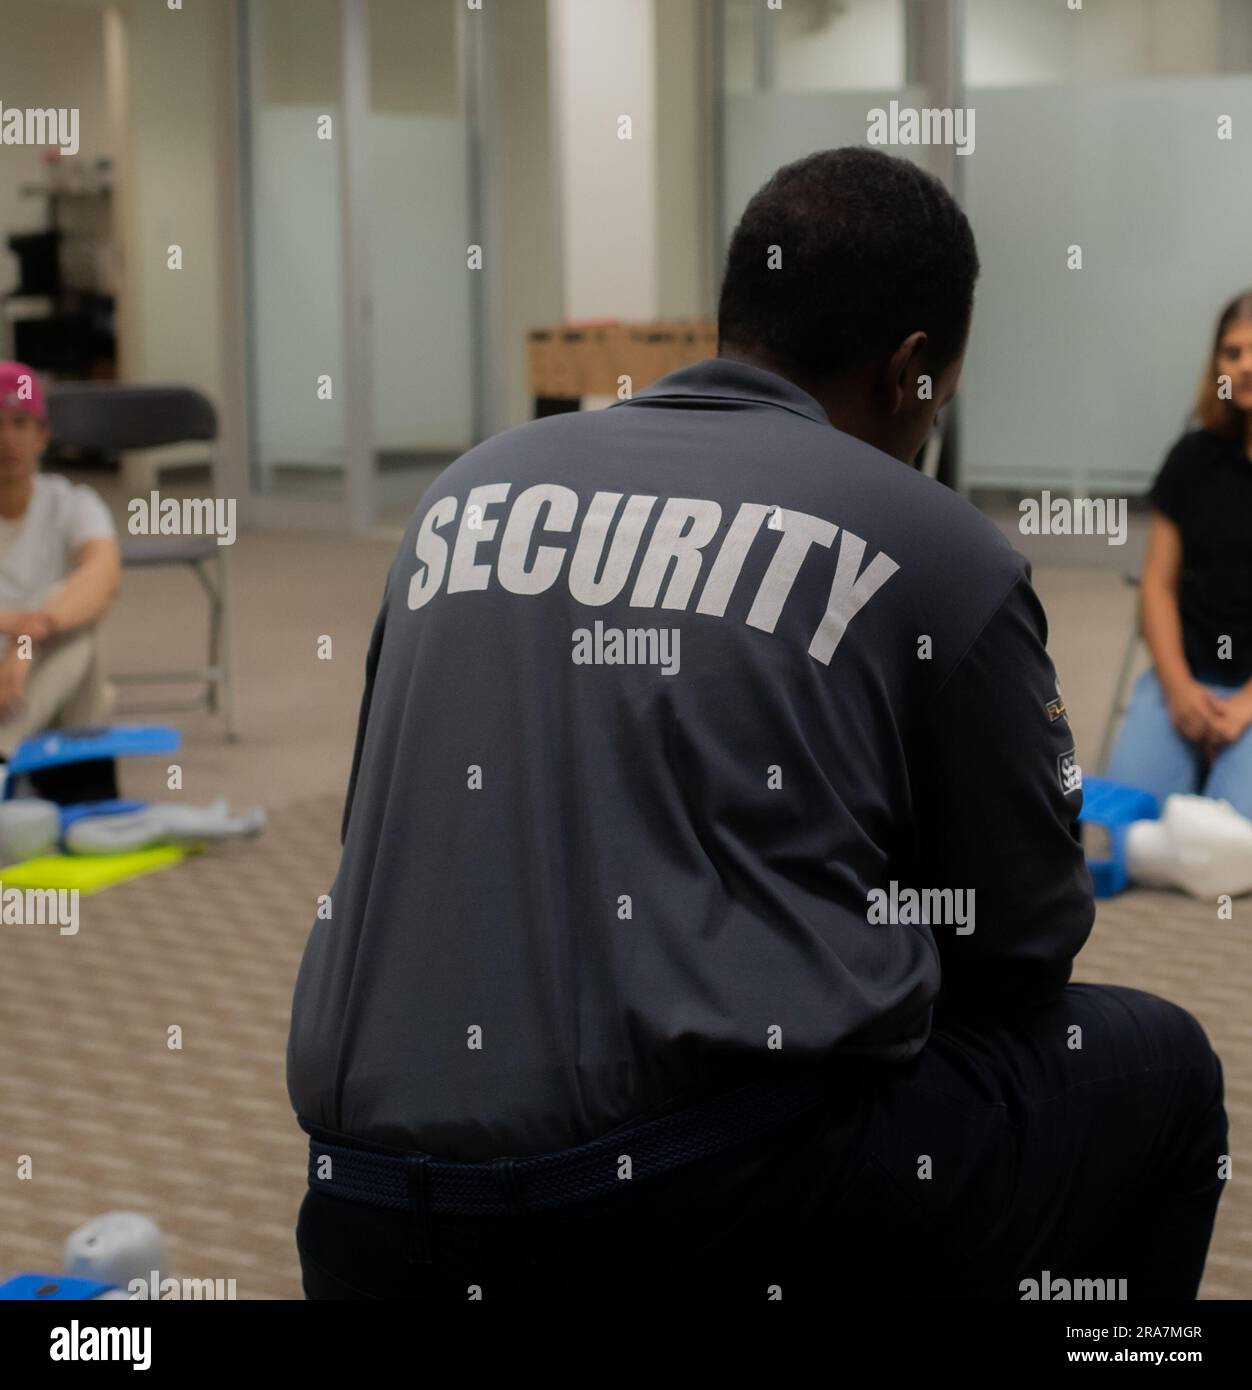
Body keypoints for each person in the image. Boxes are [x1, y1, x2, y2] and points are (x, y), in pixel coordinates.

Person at [287, 148, 1227, 1304]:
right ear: (910, 371)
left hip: (365, 1216)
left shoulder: (462, 495)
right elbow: (1024, 947)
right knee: (1161, 1071)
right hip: (684, 1219)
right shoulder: (937, 547)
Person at [1106, 292, 1252, 818]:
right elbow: (1157, 587)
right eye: (1232, 353)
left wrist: (1245, 707)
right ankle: (1206, 755)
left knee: (1228, 835)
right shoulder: (1191, 458)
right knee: (1132, 819)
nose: (1244, 366)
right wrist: (1178, 688)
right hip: (1189, 674)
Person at [0, 360, 121, 760]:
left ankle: (3, 749)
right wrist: (14, 624)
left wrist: (30, 637)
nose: (6, 439)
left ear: (42, 436)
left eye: (19, 423)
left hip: (47, 674)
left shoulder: (73, 504)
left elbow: (102, 576)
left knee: (80, 613)